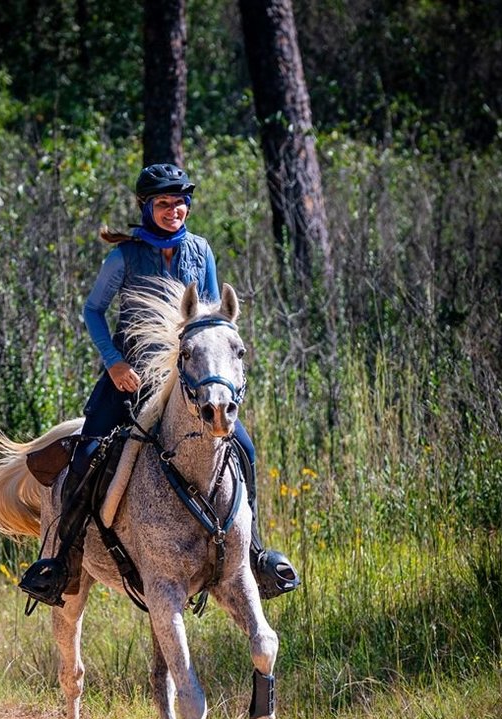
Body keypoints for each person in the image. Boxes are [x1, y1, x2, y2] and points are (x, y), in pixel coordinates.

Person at [20, 163, 299, 608]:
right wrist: (113, 364)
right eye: (164, 203)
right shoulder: (123, 257)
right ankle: (57, 564)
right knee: (88, 453)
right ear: (146, 207)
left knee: (243, 447)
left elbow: (209, 316)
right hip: (129, 376)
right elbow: (93, 311)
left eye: (181, 202)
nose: (174, 210)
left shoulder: (200, 251)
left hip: (185, 379)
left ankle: (253, 552)